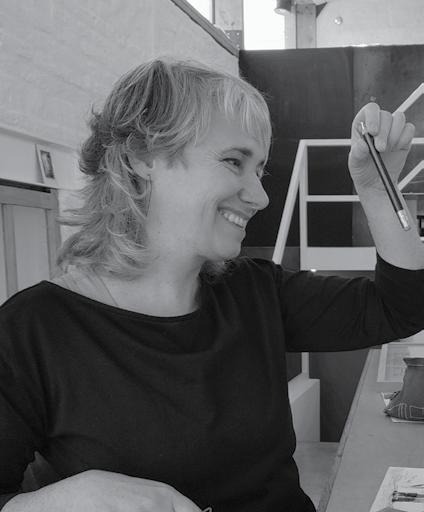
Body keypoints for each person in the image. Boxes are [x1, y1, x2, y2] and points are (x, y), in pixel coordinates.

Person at [1, 58, 424, 512]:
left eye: (258, 169)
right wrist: (63, 500)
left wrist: (376, 187)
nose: (260, 196)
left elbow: (403, 306)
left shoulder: (255, 291)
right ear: (141, 157)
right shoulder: (33, 332)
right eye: (233, 161)